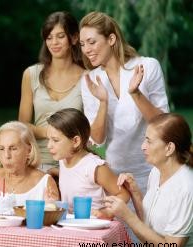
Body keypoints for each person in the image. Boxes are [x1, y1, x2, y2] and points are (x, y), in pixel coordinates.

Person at [79, 11, 169, 195]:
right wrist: (103, 102)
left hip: (154, 169)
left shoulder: (147, 66)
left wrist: (136, 94)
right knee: (122, 224)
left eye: (91, 41)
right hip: (117, 176)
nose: (86, 49)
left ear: (111, 39)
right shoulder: (90, 79)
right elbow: (96, 139)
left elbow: (164, 123)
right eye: (82, 44)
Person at [104, 113, 193, 247]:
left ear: (169, 148)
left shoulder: (186, 187)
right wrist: (135, 193)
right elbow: (148, 223)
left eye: (149, 141)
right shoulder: (156, 172)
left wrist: (128, 216)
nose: (142, 147)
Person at [18, 11, 85, 176]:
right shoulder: (31, 74)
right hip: (37, 162)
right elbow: (22, 125)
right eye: (49, 37)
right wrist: (50, 132)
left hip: (73, 163)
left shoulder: (88, 78)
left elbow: (89, 129)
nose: (54, 42)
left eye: (60, 36)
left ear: (74, 38)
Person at [46, 108, 129, 219]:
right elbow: (75, 175)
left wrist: (108, 212)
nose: (49, 145)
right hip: (71, 226)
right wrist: (53, 173)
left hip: (93, 227)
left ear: (75, 141)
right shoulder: (63, 160)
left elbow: (124, 194)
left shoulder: (95, 167)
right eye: (49, 139)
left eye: (55, 140)